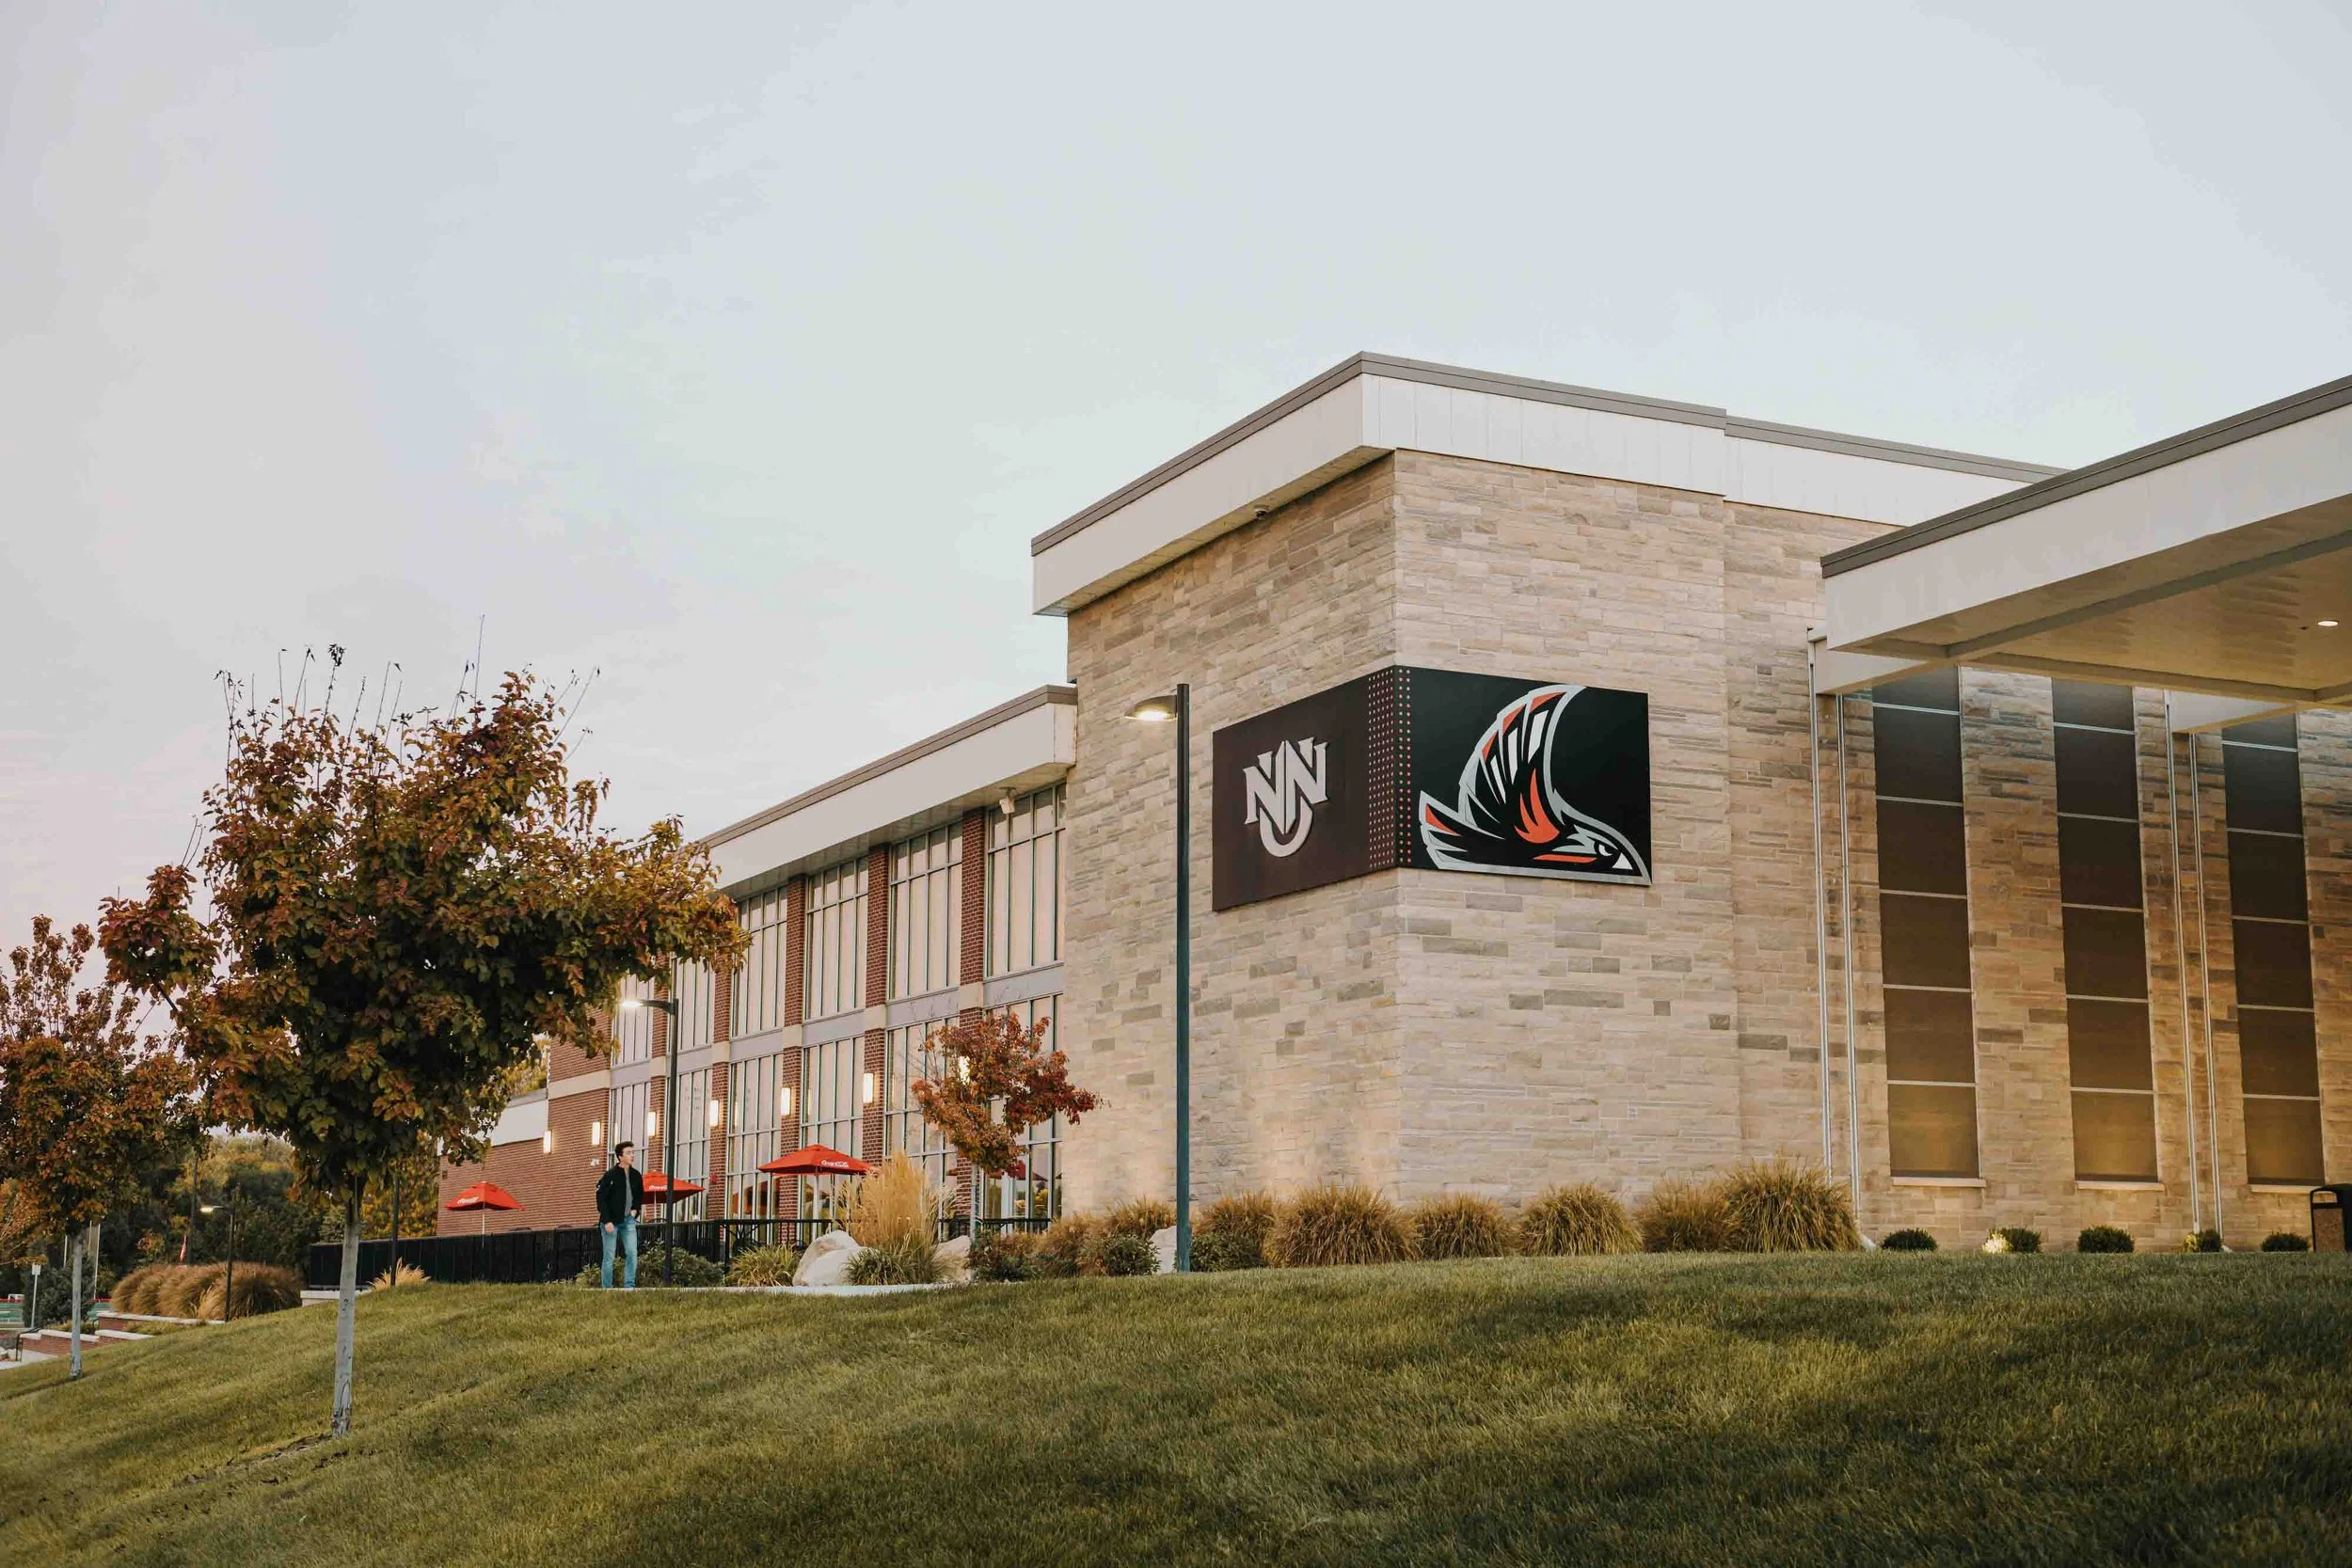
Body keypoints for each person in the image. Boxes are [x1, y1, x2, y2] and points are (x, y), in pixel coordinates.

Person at [596, 1141, 645, 1289]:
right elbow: (601, 1198)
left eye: (632, 1152)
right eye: (628, 1153)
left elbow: (639, 1195)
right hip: (610, 1222)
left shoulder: (636, 1175)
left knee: (632, 1253)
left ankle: (629, 1286)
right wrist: (607, 1221)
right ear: (620, 1157)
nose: (632, 1155)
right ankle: (607, 1288)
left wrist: (635, 1210)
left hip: (628, 1221)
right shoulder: (610, 1175)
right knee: (609, 1256)